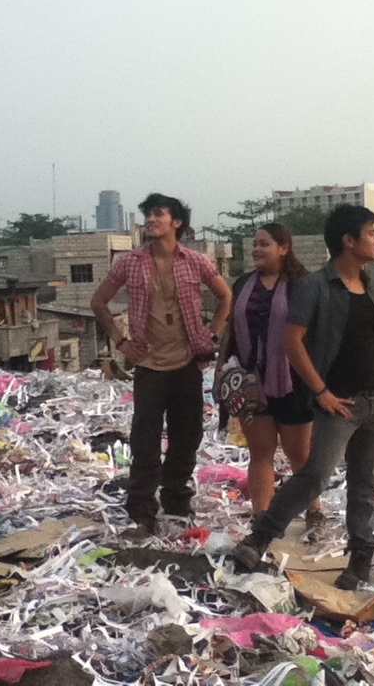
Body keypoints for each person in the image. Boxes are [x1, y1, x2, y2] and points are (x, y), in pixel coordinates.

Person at [232, 204, 374, 590]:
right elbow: (292, 342)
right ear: (349, 240)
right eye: (371, 233)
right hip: (338, 403)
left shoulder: (370, 284)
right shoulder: (314, 287)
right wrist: (321, 391)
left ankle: (359, 561)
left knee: (365, 483)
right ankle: (259, 538)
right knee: (313, 477)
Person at [91, 193, 232, 535]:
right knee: (145, 442)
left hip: (186, 364)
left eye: (158, 214)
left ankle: (177, 504)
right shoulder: (130, 262)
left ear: (176, 222)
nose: (151, 221)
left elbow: (226, 296)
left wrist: (211, 335)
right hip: (150, 367)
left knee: (186, 439)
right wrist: (122, 342)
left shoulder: (195, 261)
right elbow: (99, 301)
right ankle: (141, 510)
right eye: (148, 215)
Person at [217, 224, 322, 523]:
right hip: (251, 383)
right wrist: (220, 372)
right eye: (255, 244)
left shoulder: (304, 285)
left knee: (299, 456)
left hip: (295, 382)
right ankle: (261, 520)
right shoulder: (243, 284)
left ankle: (313, 511)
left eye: (264, 244)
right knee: (260, 453)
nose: (256, 250)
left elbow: (313, 334)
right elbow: (230, 332)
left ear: (284, 248)